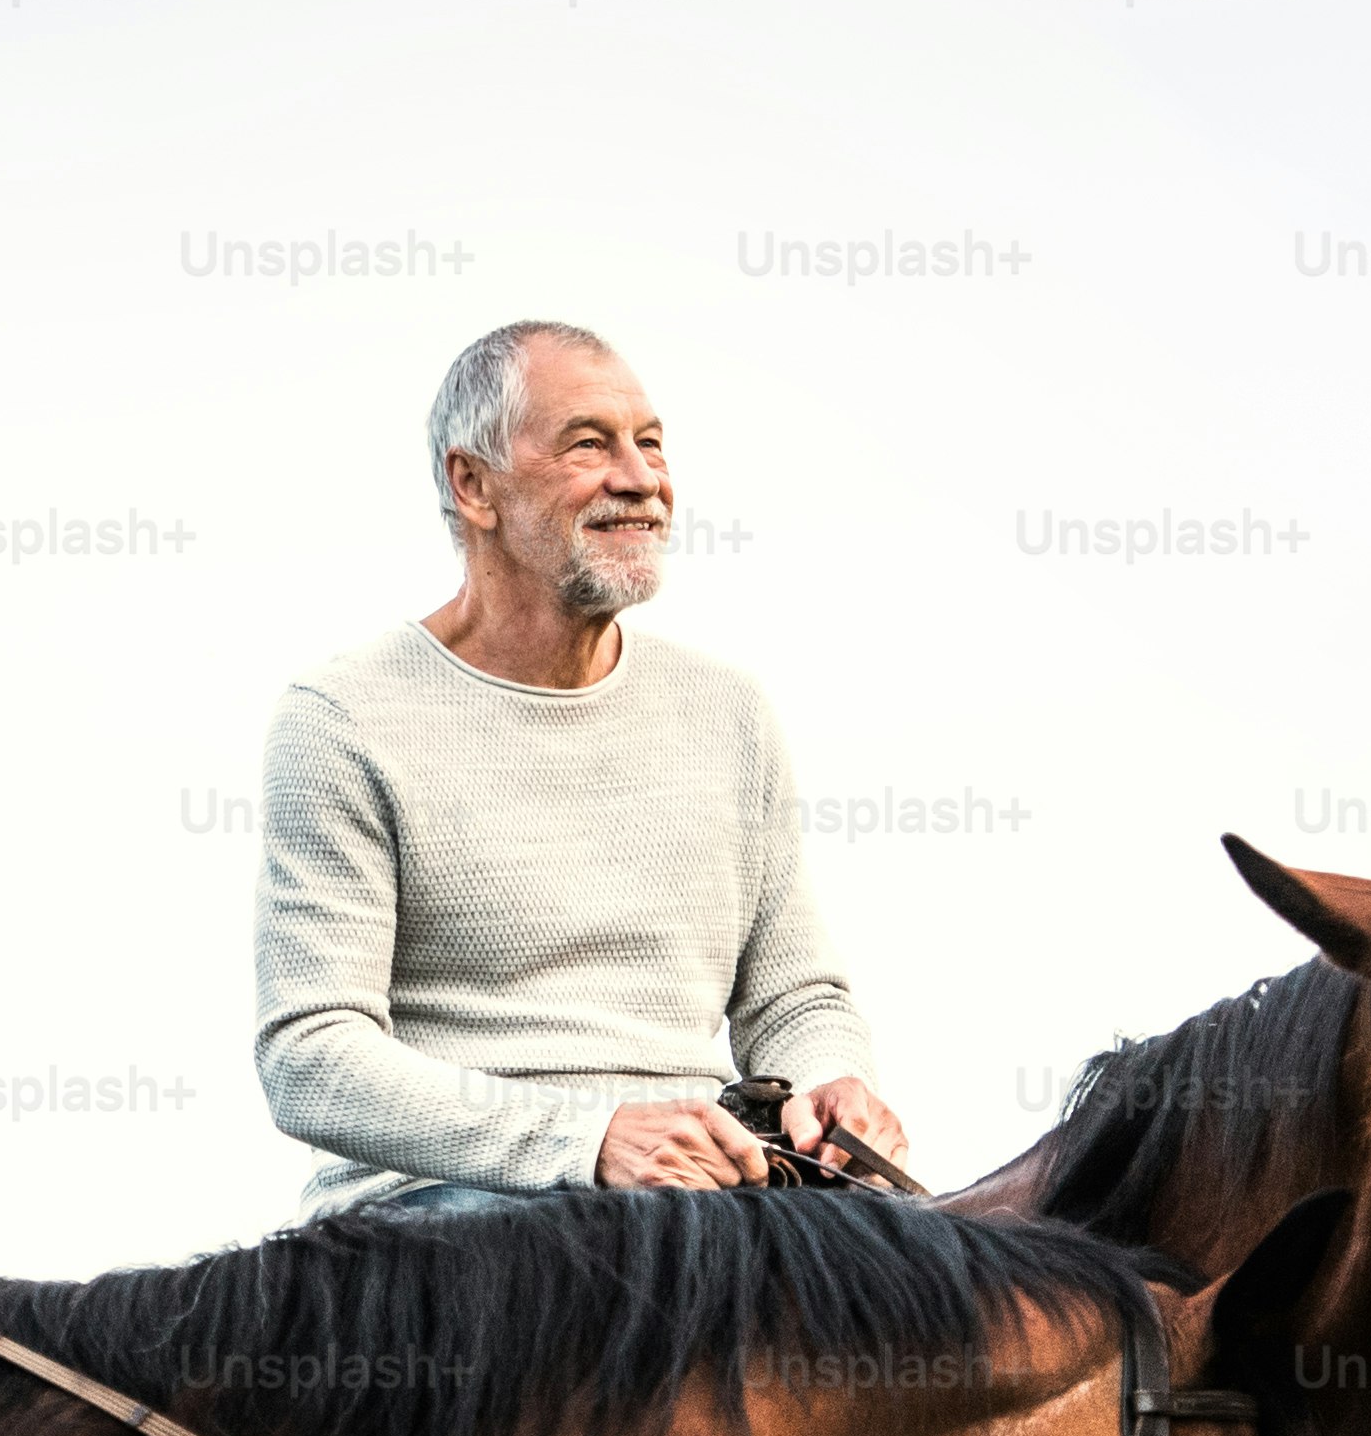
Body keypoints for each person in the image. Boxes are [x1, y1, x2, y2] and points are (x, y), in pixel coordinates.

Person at [252, 321, 909, 1218]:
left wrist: (831, 1083)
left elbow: (793, 995)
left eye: (651, 443)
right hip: (449, 1212)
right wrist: (588, 1142)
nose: (640, 479)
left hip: (705, 1200)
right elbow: (312, 1059)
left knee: (993, 1299)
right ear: (472, 485)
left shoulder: (727, 710)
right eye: (590, 444)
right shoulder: (346, 718)